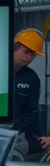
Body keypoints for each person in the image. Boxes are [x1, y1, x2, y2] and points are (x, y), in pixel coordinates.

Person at [11, 29, 50, 158]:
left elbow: (31, 113)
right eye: (26, 52)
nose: (29, 58)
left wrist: (14, 131)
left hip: (16, 135)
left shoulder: (31, 79)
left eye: (33, 54)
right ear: (14, 48)